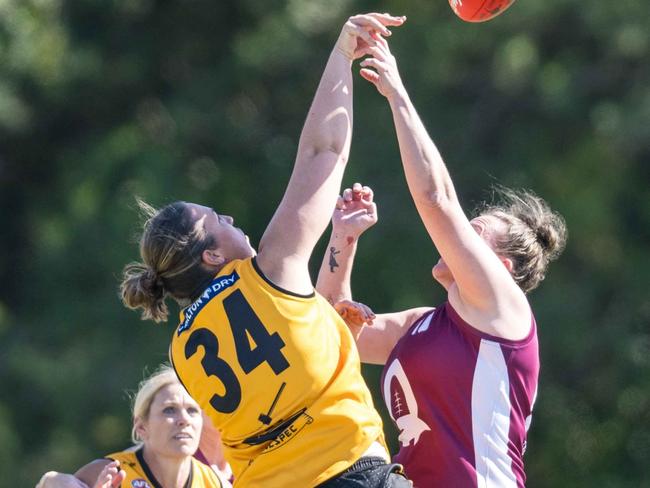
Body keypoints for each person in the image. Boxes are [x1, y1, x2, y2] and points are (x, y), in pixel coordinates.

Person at [119, 13, 412, 488]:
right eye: (218, 220)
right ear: (211, 256)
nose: (230, 218)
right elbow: (324, 153)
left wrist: (328, 325)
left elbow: (273, 384)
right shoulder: (268, 272)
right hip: (349, 474)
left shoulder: (182, 351)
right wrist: (341, 54)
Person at [317, 33, 568, 487]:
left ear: (502, 270)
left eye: (476, 231)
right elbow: (331, 337)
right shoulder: (421, 325)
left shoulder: (503, 310)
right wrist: (344, 237)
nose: (460, 234)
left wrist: (397, 93)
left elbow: (436, 199)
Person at [36, 365, 229, 488]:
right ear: (141, 427)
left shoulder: (215, 483)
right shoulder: (111, 473)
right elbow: (52, 482)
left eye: (192, 410)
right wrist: (52, 480)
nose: (184, 419)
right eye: (169, 410)